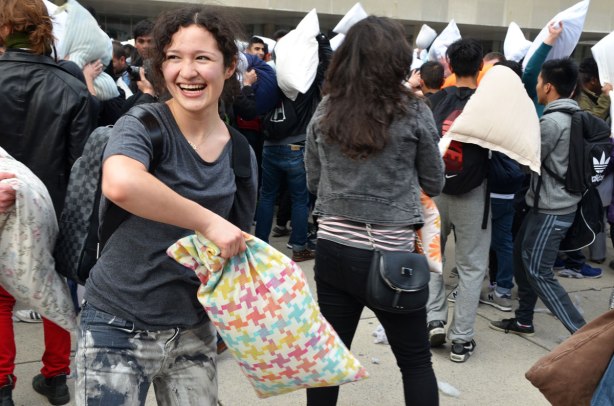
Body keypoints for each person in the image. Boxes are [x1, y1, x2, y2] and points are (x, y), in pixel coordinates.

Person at [76, 5, 257, 405]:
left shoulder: (240, 152)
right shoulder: (142, 125)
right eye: (174, 58)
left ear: (228, 68)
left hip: (194, 330)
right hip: (115, 324)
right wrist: (207, 221)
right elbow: (121, 183)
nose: (186, 72)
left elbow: (239, 243)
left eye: (202, 58)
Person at [305, 16, 443, 406]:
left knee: (327, 361)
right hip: (393, 256)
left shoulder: (327, 109)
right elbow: (434, 182)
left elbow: (314, 181)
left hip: (334, 249)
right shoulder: (414, 112)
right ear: (398, 60)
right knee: (415, 361)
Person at [0, 0, 95, 404]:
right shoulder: (72, 86)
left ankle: (2, 384)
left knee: (0, 296)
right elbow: (81, 166)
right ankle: (55, 376)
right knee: (55, 287)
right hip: (53, 209)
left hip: (1, 200)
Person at [490, 58, 587, 337]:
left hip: (552, 208)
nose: (536, 86)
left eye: (537, 82)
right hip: (544, 204)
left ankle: (581, 333)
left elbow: (529, 160)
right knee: (523, 259)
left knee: (539, 270)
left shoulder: (553, 122)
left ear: (548, 86)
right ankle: (523, 320)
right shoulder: (574, 116)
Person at [425, 38, 490, 363]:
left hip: (436, 191)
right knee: (471, 265)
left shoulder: (436, 101)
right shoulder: (487, 102)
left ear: (449, 65)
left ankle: (434, 319)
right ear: (480, 67)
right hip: (474, 193)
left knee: (433, 258)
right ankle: (462, 340)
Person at [254, 32, 332, 262]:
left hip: (270, 145)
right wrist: (322, 42)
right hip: (297, 145)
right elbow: (328, 67)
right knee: (300, 198)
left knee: (267, 196)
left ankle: (259, 246)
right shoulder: (304, 82)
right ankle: (299, 247)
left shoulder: (271, 78)